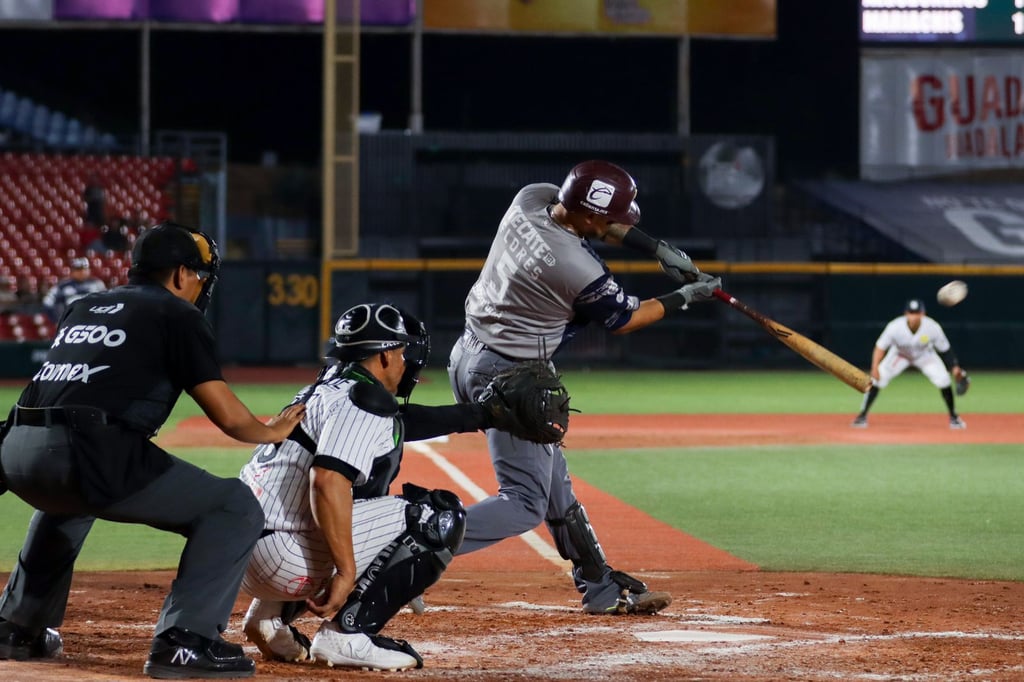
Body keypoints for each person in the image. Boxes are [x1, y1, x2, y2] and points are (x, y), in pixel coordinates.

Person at [0, 222, 306, 678]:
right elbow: (228, 416)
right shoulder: (178, 315)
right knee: (234, 506)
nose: (202, 286)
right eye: (201, 275)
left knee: (68, 501)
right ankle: (185, 641)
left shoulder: (85, 304)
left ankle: (18, 627)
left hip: (15, 445)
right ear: (182, 273)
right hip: (89, 449)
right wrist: (272, 431)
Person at [447, 159, 721, 615]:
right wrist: (686, 297)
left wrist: (655, 248)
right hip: (510, 376)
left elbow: (593, 218)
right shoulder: (575, 266)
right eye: (611, 218)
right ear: (591, 217)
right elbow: (626, 317)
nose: (616, 225)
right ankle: (407, 551)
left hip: (470, 354)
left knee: (555, 481)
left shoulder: (530, 198)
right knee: (525, 503)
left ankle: (600, 584)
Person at [238, 302, 540, 670]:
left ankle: (267, 619)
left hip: (246, 555)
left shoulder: (325, 389)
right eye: (399, 351)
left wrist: (478, 415)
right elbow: (328, 482)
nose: (405, 361)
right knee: (437, 519)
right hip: (285, 559)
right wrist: (351, 572)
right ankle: (347, 634)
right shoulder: (363, 400)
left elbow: (401, 422)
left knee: (354, 507)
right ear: (382, 356)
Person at [852, 298, 967, 429]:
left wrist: (955, 368)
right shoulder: (895, 327)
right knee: (877, 379)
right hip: (900, 355)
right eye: (911, 312)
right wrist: (874, 368)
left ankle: (954, 417)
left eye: (917, 312)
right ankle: (862, 416)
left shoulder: (932, 327)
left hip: (924, 355)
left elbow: (945, 350)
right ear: (906, 314)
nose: (914, 316)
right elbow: (880, 347)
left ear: (923, 314)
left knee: (944, 379)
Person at [41, 258, 107, 322]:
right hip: (72, 322)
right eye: (78, 269)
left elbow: (106, 302)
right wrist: (57, 319)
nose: (82, 272)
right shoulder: (62, 286)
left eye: (85, 269)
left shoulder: (97, 284)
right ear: (72, 271)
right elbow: (47, 302)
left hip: (95, 321)